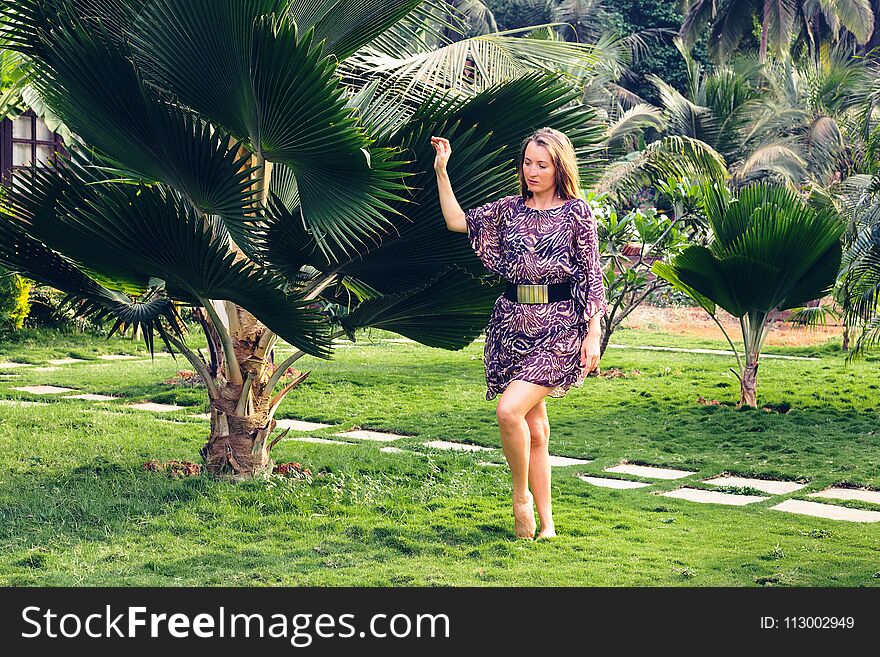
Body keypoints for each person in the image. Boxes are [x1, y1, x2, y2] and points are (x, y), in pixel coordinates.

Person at [430, 128, 607, 540]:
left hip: (560, 325)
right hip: (512, 325)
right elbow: (457, 221)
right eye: (528, 163)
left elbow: (591, 275)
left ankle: (519, 500)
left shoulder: (577, 212)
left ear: (559, 166)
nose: (532, 171)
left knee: (509, 412)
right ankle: (548, 526)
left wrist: (593, 333)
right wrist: (442, 170)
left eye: (541, 165)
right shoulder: (510, 210)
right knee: (537, 431)